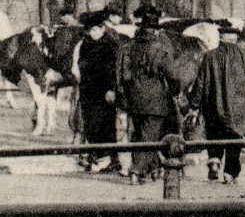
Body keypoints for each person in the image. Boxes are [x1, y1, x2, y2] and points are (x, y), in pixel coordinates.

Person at [196, 27, 245, 183]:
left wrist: (193, 104)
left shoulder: (209, 56)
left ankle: (214, 160)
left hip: (213, 105)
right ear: (235, 39)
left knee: (215, 133)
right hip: (239, 107)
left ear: (220, 38)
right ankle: (229, 173)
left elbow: (200, 83)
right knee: (234, 138)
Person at [119, 11, 178, 179]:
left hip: (133, 98)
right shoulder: (160, 50)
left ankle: (152, 168)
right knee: (150, 136)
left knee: (138, 134)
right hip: (155, 100)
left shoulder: (128, 47)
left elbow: (122, 74)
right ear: (155, 31)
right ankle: (136, 170)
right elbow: (172, 76)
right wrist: (174, 92)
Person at [73, 11, 122, 171]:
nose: (92, 33)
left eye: (95, 30)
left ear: (102, 29)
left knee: (104, 125)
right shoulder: (85, 45)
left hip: (104, 92)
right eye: (90, 30)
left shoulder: (110, 46)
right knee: (90, 124)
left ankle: (107, 158)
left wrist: (111, 89)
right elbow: (81, 66)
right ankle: (99, 155)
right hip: (88, 91)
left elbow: (113, 71)